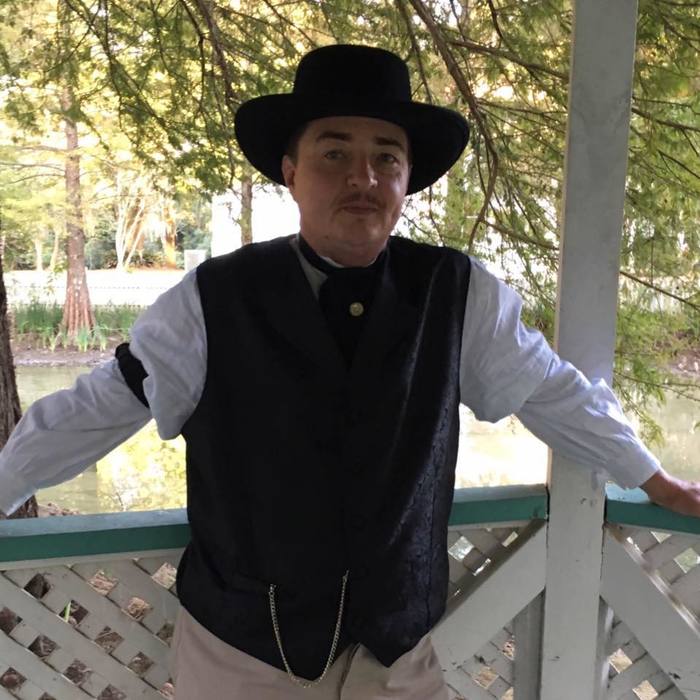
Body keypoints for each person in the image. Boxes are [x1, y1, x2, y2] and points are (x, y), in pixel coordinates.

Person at [0, 44, 698, 700]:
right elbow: (96, 410)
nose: (363, 178)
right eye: (334, 153)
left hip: (396, 661)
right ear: (291, 171)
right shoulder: (212, 300)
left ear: (406, 180)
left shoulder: (460, 295)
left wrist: (650, 477)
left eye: (385, 157)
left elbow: (552, 393)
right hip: (243, 658)